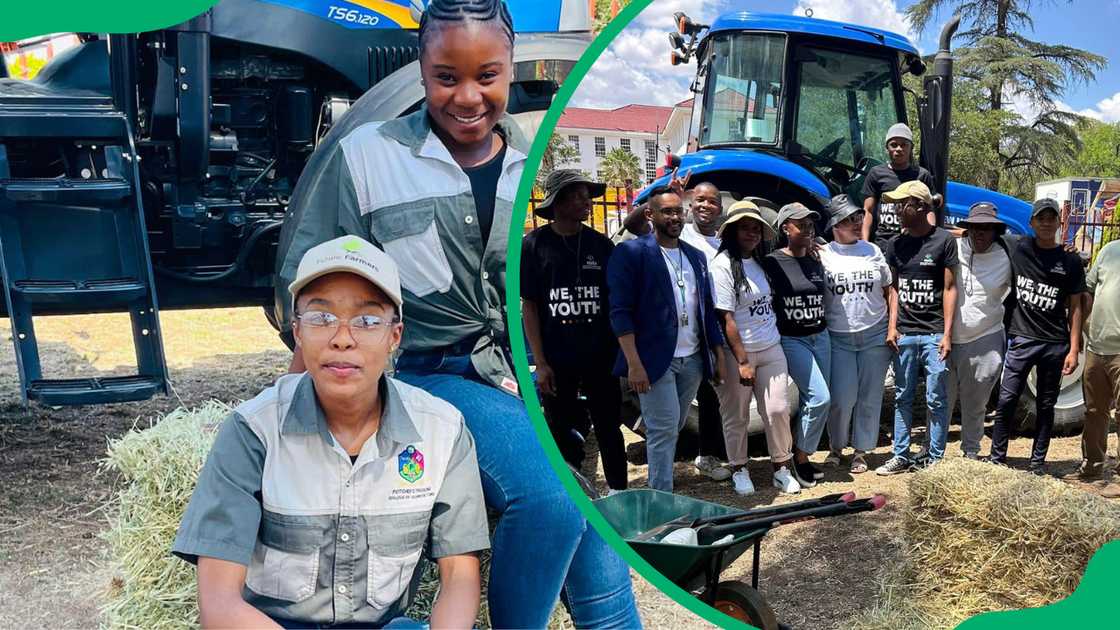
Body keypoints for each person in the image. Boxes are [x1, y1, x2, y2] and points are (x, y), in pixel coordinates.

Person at [273, 1, 639, 626]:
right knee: (551, 499)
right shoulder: (366, 156)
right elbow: (311, 289)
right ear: (419, 71)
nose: (468, 97)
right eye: (446, 77)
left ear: (512, 68)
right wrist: (294, 415)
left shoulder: (526, 158)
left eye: (487, 76)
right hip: (416, 374)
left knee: (597, 539)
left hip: (498, 377)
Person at [174, 237, 488, 629]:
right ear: (297, 332)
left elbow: (460, 576)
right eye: (321, 318)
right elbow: (219, 603)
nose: (342, 337)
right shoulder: (253, 431)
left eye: (367, 321)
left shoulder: (441, 431)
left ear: (395, 336)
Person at [607, 185, 725, 493]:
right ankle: (661, 499)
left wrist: (716, 356)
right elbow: (620, 312)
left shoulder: (696, 257)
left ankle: (660, 474)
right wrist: (634, 364)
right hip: (654, 361)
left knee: (672, 426)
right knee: (663, 430)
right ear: (650, 214)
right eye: (667, 211)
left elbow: (706, 310)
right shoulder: (631, 253)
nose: (675, 217)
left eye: (678, 211)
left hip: (692, 361)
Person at [521, 169, 627, 493]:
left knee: (609, 428)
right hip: (558, 361)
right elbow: (530, 307)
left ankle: (618, 492)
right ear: (558, 202)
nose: (587, 202)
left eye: (587, 195)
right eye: (579, 196)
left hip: (600, 358)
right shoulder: (533, 246)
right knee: (561, 429)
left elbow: (616, 302)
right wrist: (540, 362)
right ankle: (570, 493)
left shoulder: (601, 245)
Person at [710, 201, 801, 495]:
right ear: (731, 231)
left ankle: (781, 468)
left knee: (778, 409)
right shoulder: (722, 266)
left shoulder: (762, 262)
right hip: (739, 354)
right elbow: (726, 318)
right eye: (745, 228)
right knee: (736, 415)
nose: (751, 234)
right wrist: (742, 361)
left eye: (756, 229)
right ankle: (739, 468)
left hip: (771, 347)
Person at [989, 198, 1085, 474]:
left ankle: (1037, 463)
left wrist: (1074, 349)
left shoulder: (1070, 260)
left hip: (1054, 344)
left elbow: (1076, 307)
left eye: (1051, 218)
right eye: (1040, 218)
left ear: (1059, 223)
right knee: (1006, 400)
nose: (1046, 223)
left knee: (1046, 404)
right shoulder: (1017, 246)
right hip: (1022, 339)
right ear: (1031, 223)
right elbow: (978, 234)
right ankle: (997, 459)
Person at [876, 180, 958, 475]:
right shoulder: (895, 244)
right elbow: (894, 289)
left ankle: (935, 459)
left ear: (921, 206)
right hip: (905, 334)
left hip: (935, 333)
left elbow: (949, 288)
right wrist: (892, 327)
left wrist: (947, 334)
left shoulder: (944, 241)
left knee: (936, 398)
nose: (897, 210)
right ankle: (900, 455)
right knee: (903, 396)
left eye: (903, 204)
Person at [819, 195, 893, 474]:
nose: (856, 222)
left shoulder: (872, 250)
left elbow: (889, 290)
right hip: (839, 337)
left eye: (858, 217)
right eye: (849, 219)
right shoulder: (823, 253)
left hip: (875, 334)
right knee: (841, 398)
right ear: (835, 225)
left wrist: (892, 326)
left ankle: (861, 451)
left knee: (870, 397)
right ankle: (836, 447)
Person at [760, 202, 830, 488]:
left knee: (814, 400)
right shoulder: (772, 262)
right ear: (785, 228)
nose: (808, 229)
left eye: (810, 224)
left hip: (821, 336)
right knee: (820, 397)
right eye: (801, 225)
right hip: (792, 339)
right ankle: (799, 458)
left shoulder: (816, 259)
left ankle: (801, 453)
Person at [946, 203, 1012, 460]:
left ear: (996, 231)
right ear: (967, 229)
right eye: (975, 227)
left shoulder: (1008, 255)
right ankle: (933, 451)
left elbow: (1040, 252)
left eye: (987, 228)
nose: (980, 233)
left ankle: (971, 452)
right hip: (947, 338)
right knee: (940, 401)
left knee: (975, 403)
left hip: (986, 337)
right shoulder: (953, 248)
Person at [678, 181, 732, 482]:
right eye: (700, 200)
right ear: (690, 203)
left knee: (712, 392)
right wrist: (671, 196)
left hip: (717, 324)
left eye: (712, 201)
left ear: (720, 208)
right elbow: (639, 225)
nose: (705, 206)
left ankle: (708, 454)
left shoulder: (725, 242)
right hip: (686, 325)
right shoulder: (681, 233)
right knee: (678, 393)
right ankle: (663, 457)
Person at [1076, 238, 1120, 493]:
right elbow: (1089, 291)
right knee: (1094, 411)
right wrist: (1084, 328)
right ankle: (1091, 467)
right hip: (1097, 347)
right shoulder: (1109, 250)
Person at [861, 123, 937, 251]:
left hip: (914, 244)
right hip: (884, 244)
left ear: (911, 147)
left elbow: (929, 210)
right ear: (887, 148)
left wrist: (931, 242)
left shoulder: (922, 175)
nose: (899, 149)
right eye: (894, 144)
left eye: (904, 144)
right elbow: (867, 210)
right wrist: (864, 245)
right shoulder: (876, 173)